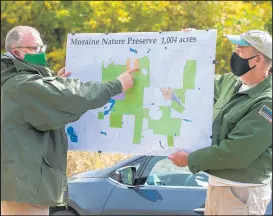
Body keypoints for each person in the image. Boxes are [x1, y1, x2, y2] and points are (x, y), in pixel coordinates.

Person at [1, 26, 138, 215]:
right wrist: (116, 86)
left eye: (42, 47)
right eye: (35, 48)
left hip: (17, 184)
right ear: (17, 52)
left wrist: (52, 83)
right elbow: (75, 96)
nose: (41, 52)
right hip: (26, 186)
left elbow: (36, 105)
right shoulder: (24, 84)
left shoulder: (12, 81)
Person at [168, 29, 272, 215]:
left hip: (241, 193)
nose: (235, 54)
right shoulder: (231, 82)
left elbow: (236, 152)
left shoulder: (267, 102)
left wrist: (190, 159)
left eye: (241, 50)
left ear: (258, 60)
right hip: (218, 187)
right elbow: (197, 85)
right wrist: (193, 44)